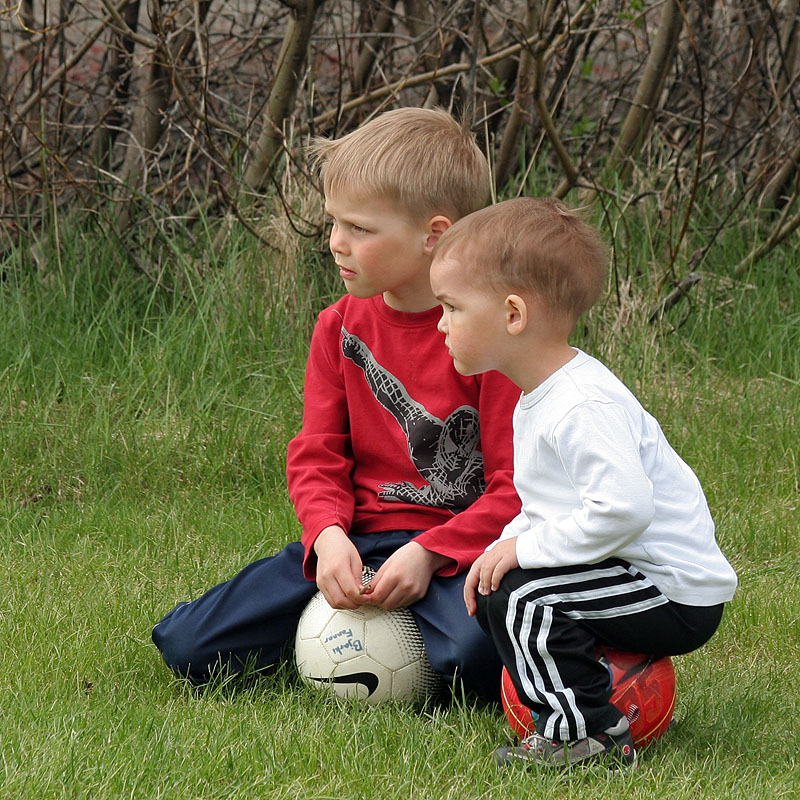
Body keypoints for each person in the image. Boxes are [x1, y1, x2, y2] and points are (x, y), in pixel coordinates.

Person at [151, 108, 521, 701]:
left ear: (435, 234)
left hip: (455, 553)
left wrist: (430, 552)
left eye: (361, 229)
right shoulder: (338, 327)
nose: (336, 243)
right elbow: (318, 452)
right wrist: (326, 537)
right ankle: (314, 629)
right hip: (355, 541)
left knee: (477, 664)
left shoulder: (492, 338)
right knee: (188, 646)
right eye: (334, 223)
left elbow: (516, 485)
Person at [429, 196, 738, 768]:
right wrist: (503, 548)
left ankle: (588, 735)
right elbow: (546, 503)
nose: (440, 323)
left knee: (526, 598)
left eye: (451, 307)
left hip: (671, 589)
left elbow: (623, 510)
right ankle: (564, 700)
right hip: (625, 569)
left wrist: (525, 550)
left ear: (513, 314)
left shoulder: (580, 404)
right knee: (505, 585)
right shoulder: (536, 396)